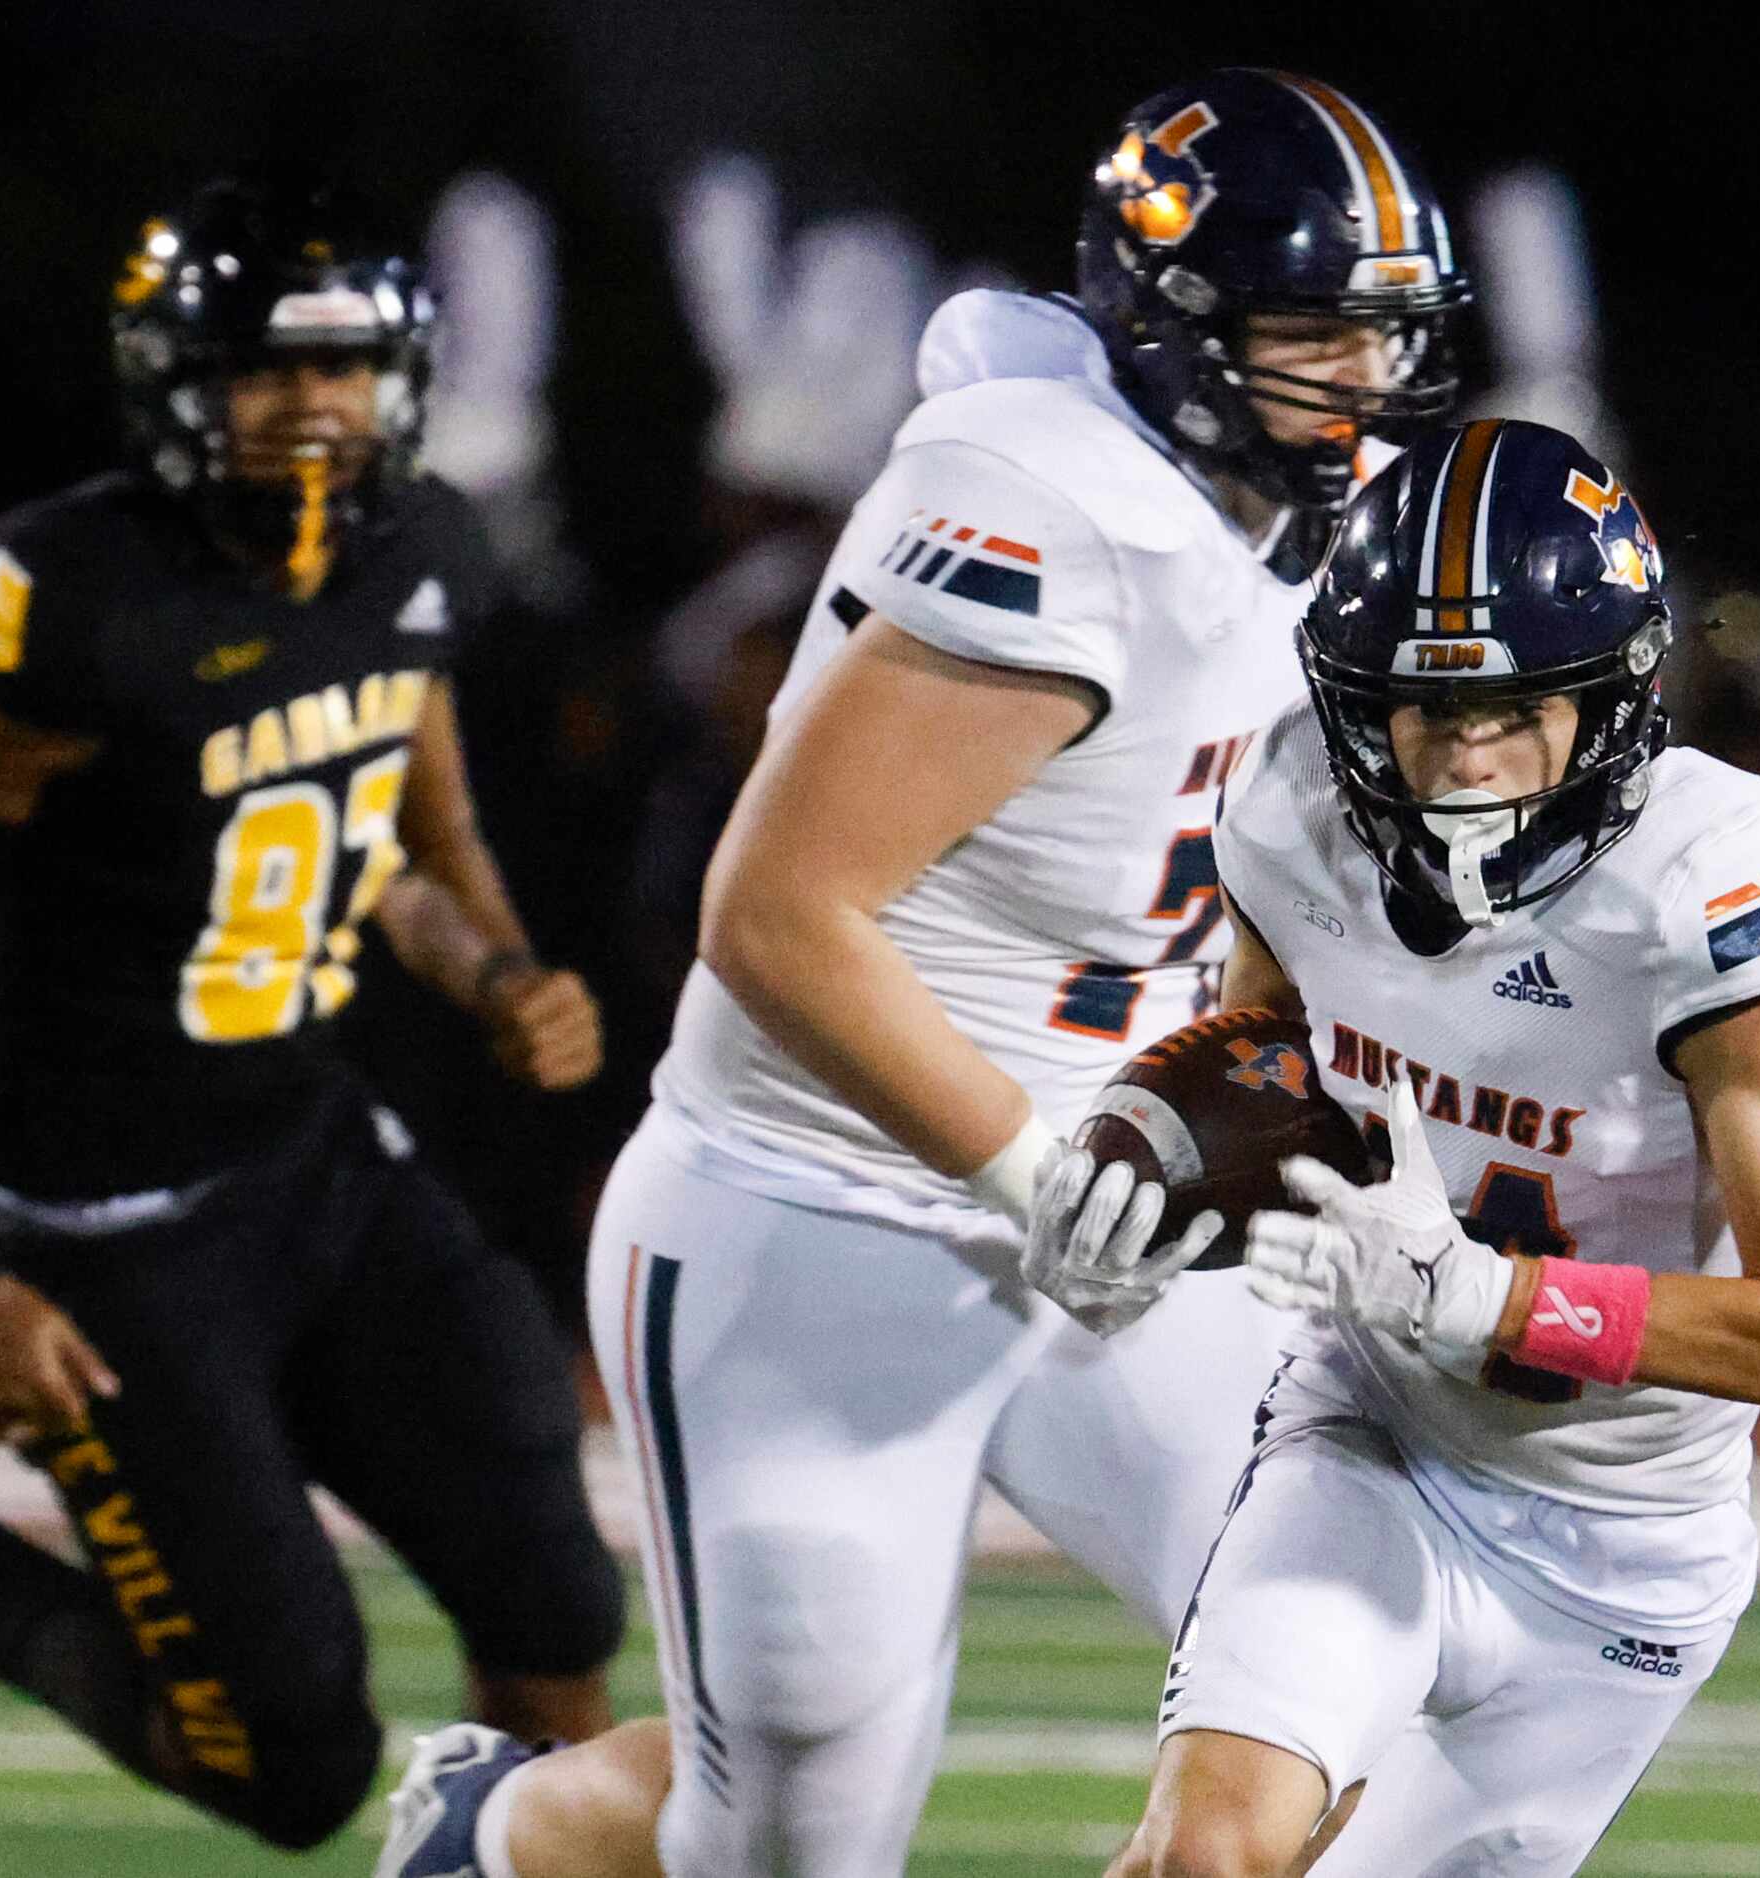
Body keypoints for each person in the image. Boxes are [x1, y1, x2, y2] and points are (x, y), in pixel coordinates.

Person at [379, 69, 1471, 1878]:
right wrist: (1038, 1172)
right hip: (827, 1218)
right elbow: (781, 912)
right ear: (1182, 322)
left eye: (1383, 336)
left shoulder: (1266, 516)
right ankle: (495, 1831)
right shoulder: (1059, 505)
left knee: (1381, 1658)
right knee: (788, 1844)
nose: (1363, 382)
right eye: (1313, 336)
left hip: (1121, 1205)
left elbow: (1216, 857)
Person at [0, 177, 624, 1854]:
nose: (314, 409)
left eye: (344, 367)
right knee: (286, 1764)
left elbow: (410, 843)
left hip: (315, 1161)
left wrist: (493, 969)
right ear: (174, 387)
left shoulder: (423, 547)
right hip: (104, 1235)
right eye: (268, 372)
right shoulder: (64, 596)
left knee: (558, 1604)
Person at [1065, 418, 1760, 1875]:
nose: (1463, 758)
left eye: (1513, 709)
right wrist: (1143, 1198)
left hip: (1626, 1536)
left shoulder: (1714, 888)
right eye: (1422, 711)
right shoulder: (1295, 811)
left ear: (1616, 696)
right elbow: (1272, 1088)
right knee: (1201, 1855)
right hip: (1374, 1436)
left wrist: (1497, 1298)